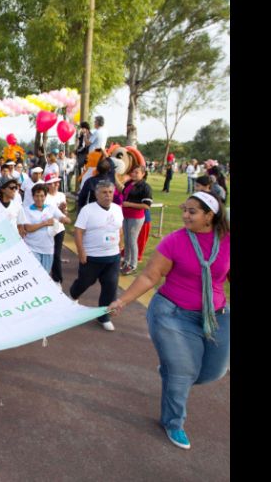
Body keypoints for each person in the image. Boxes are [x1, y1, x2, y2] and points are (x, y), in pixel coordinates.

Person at [108, 192, 229, 450]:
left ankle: (171, 371)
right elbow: (150, 277)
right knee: (183, 372)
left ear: (210, 216)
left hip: (215, 314)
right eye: (185, 209)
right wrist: (123, 300)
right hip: (172, 315)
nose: (185, 215)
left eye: (192, 211)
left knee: (213, 371)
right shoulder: (174, 241)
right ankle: (173, 422)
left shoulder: (226, 241)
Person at [69, 180, 124, 331]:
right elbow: (78, 232)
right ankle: (73, 295)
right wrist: (81, 252)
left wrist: (121, 244)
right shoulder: (87, 210)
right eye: (104, 192)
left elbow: (119, 228)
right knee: (85, 282)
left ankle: (103, 316)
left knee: (110, 286)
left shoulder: (117, 209)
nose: (108, 196)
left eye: (110, 192)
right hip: (92, 256)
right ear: (96, 194)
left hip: (112, 256)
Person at [17, 183, 71, 273]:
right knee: (34, 275)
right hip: (32, 248)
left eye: (42, 196)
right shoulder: (26, 210)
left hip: (48, 248)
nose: (39, 199)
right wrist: (44, 223)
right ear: (33, 196)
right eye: (37, 196)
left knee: (45, 276)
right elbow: (28, 228)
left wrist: (64, 218)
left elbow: (66, 220)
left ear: (45, 196)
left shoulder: (51, 208)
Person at [120, 164, 153, 275]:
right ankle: (126, 260)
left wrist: (129, 204)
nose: (133, 174)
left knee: (132, 240)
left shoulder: (145, 187)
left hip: (136, 217)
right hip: (125, 215)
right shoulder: (129, 183)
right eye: (133, 172)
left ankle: (133, 265)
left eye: (137, 172)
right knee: (127, 240)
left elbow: (147, 206)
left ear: (143, 174)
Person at [44, 173, 69, 284]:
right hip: (47, 229)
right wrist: (57, 210)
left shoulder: (61, 195)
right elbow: (44, 214)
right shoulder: (43, 197)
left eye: (57, 182)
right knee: (48, 253)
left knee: (56, 254)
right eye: (53, 183)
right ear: (48, 185)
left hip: (59, 228)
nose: (56, 184)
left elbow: (64, 213)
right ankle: (45, 276)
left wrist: (63, 210)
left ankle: (57, 279)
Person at [74, 122, 91, 191]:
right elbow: (78, 144)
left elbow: (84, 146)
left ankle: (84, 188)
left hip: (85, 156)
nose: (81, 129)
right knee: (80, 173)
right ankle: (81, 188)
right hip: (81, 156)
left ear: (86, 128)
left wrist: (77, 150)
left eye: (82, 128)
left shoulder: (89, 135)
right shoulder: (81, 136)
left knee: (85, 172)